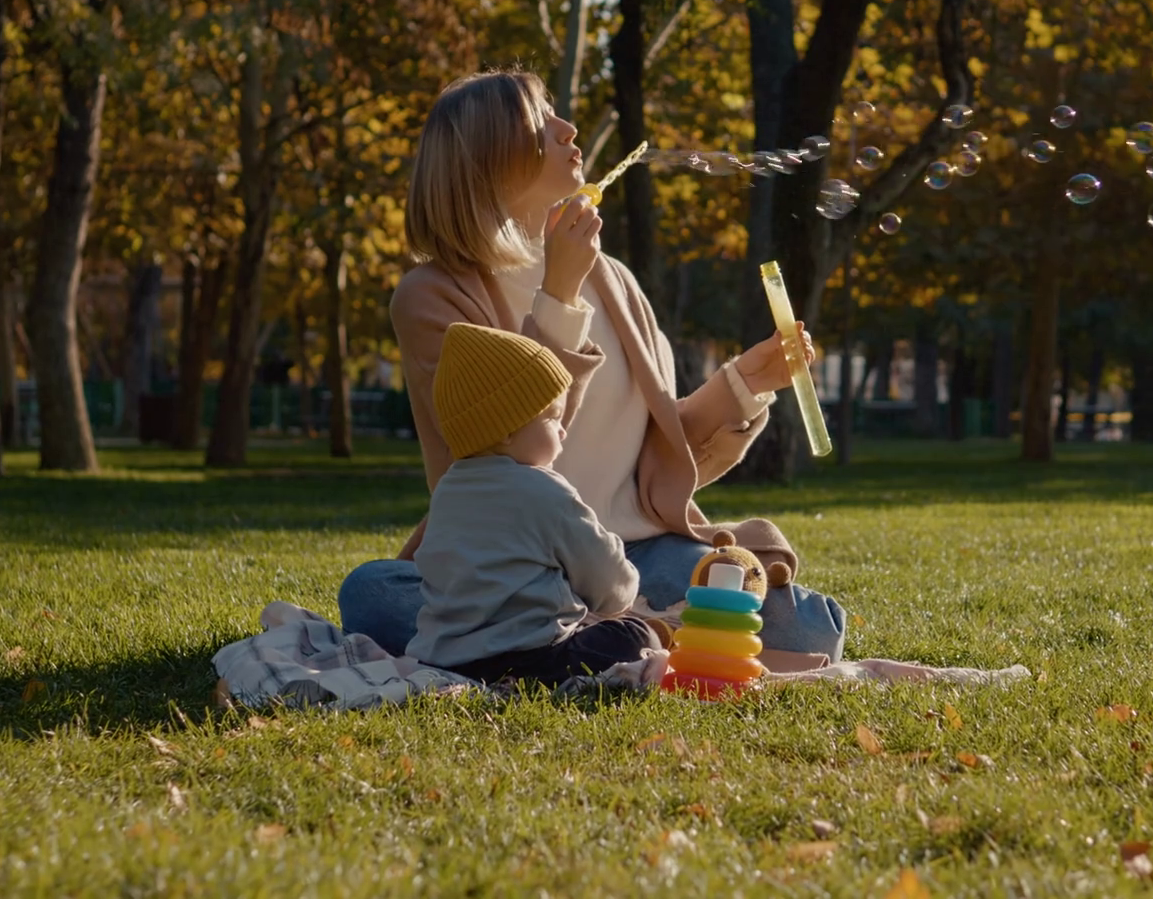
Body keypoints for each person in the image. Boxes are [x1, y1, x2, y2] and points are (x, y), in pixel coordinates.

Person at [338, 70, 847, 664]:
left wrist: (745, 383)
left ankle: (599, 634)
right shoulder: (432, 296)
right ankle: (635, 633)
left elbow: (658, 456)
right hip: (508, 566)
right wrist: (558, 293)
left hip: (634, 557)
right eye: (540, 120)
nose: (568, 129)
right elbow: (508, 446)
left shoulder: (613, 280)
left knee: (812, 629)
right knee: (372, 593)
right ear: (486, 156)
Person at [406, 321, 659, 684]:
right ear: (507, 429)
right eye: (552, 418)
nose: (563, 430)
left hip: (446, 660)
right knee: (635, 636)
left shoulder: (447, 491)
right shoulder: (544, 491)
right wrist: (624, 593)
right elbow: (608, 581)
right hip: (531, 658)